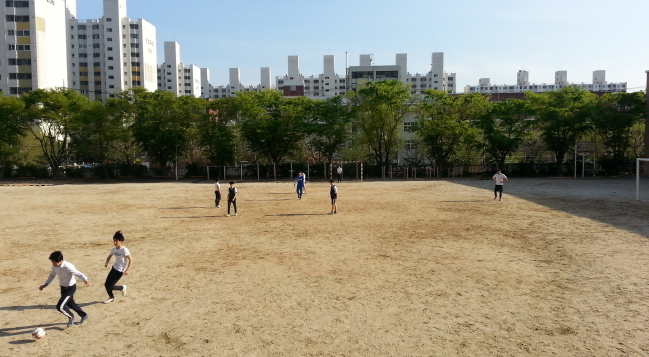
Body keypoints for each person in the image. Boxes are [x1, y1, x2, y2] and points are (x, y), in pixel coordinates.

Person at [39, 251, 91, 328]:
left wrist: (85, 280)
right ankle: (84, 315)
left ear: (60, 261)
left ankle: (71, 317)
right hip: (63, 287)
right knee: (70, 303)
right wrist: (46, 284)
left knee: (60, 306)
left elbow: (79, 274)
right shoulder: (54, 266)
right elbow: (52, 275)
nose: (52, 263)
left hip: (70, 288)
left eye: (53, 262)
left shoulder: (68, 266)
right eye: (52, 261)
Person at [103, 231, 133, 304]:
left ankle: (122, 288)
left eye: (116, 241)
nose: (115, 243)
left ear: (121, 241)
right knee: (106, 284)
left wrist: (128, 270)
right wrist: (107, 262)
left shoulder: (124, 250)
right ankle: (111, 297)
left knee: (110, 286)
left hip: (120, 271)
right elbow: (109, 256)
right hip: (114, 268)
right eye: (114, 241)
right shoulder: (114, 249)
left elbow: (131, 260)